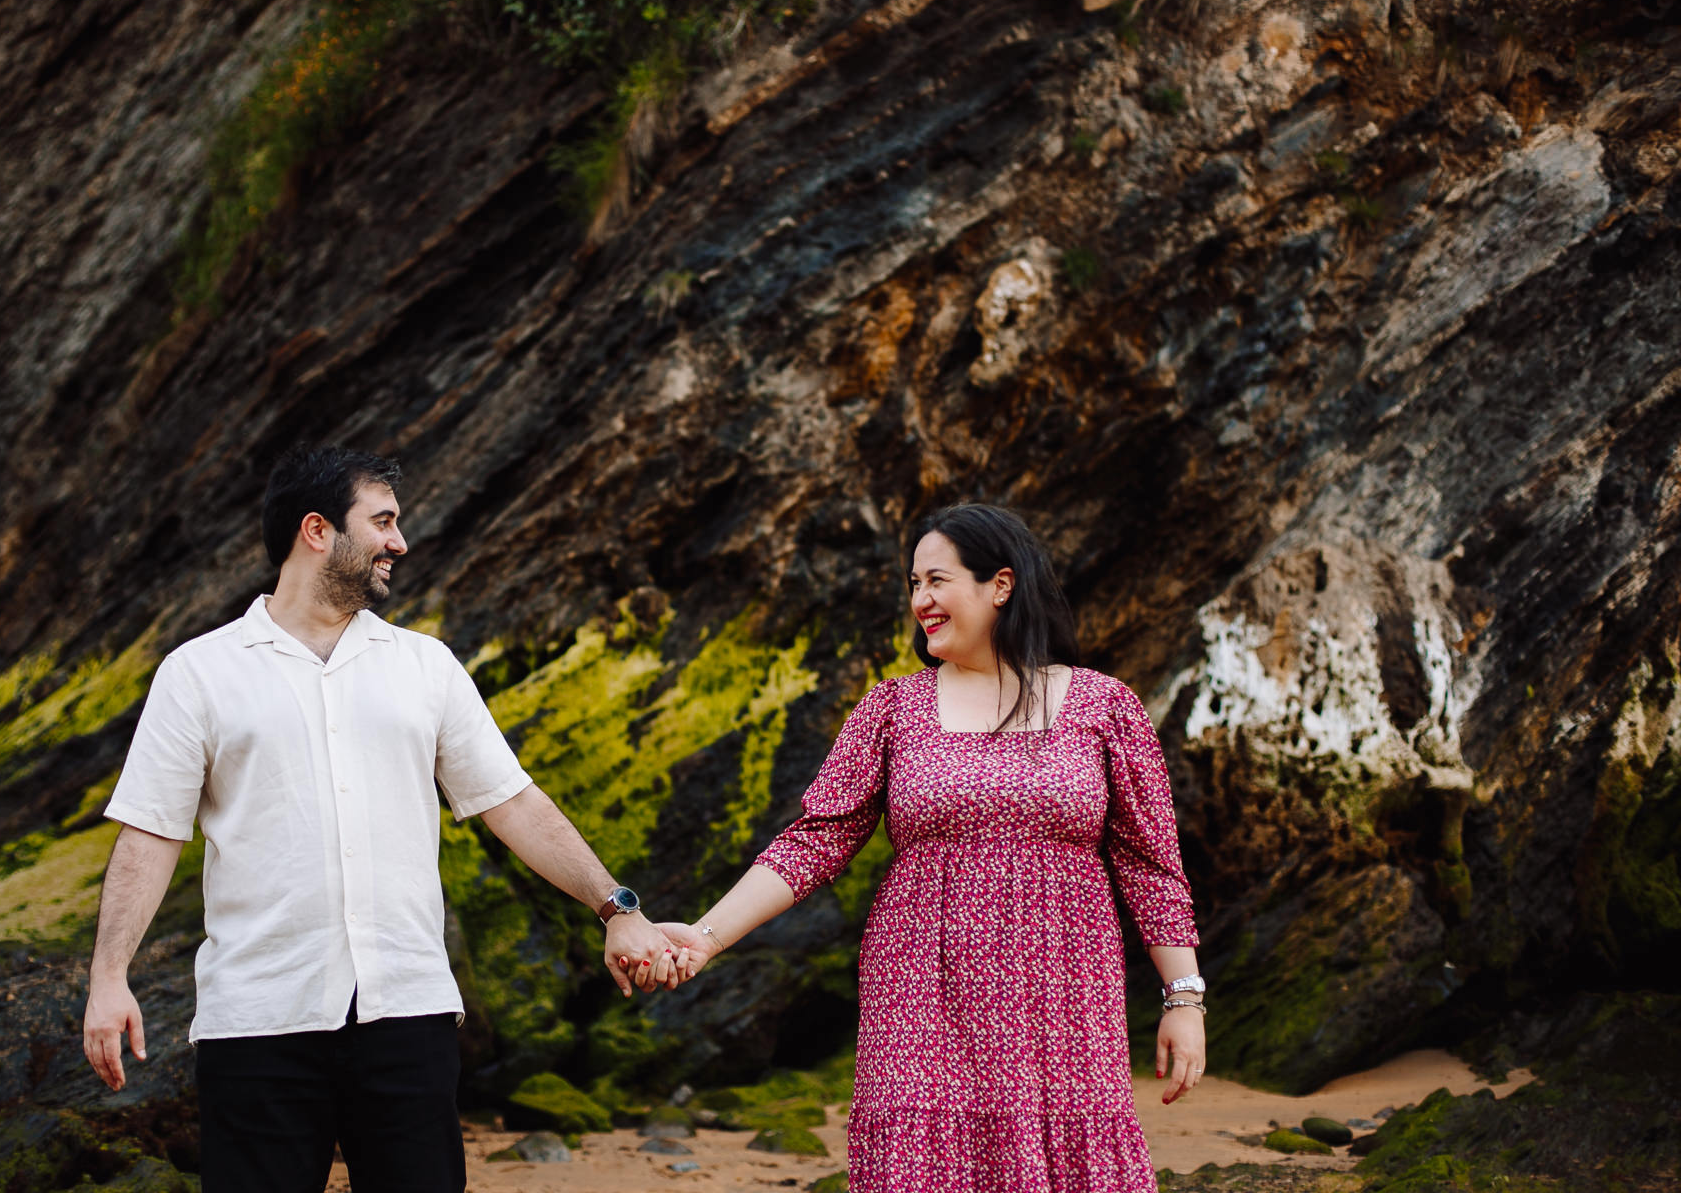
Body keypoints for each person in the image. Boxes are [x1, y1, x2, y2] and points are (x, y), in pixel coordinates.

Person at [81, 445, 680, 1193]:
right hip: (259, 1019)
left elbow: (513, 802)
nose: (400, 542)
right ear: (317, 530)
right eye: (384, 522)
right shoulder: (199, 672)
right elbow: (150, 834)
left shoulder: (424, 667)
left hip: (407, 1013)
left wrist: (615, 906)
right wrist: (109, 977)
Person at [652, 503, 1206, 1191]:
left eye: (936, 580)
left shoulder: (1105, 706)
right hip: (921, 989)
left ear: (999, 585)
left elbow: (1150, 865)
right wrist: (705, 938)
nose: (920, 601)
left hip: (1063, 996)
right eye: (913, 584)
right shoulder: (890, 711)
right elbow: (815, 843)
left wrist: (1184, 998)